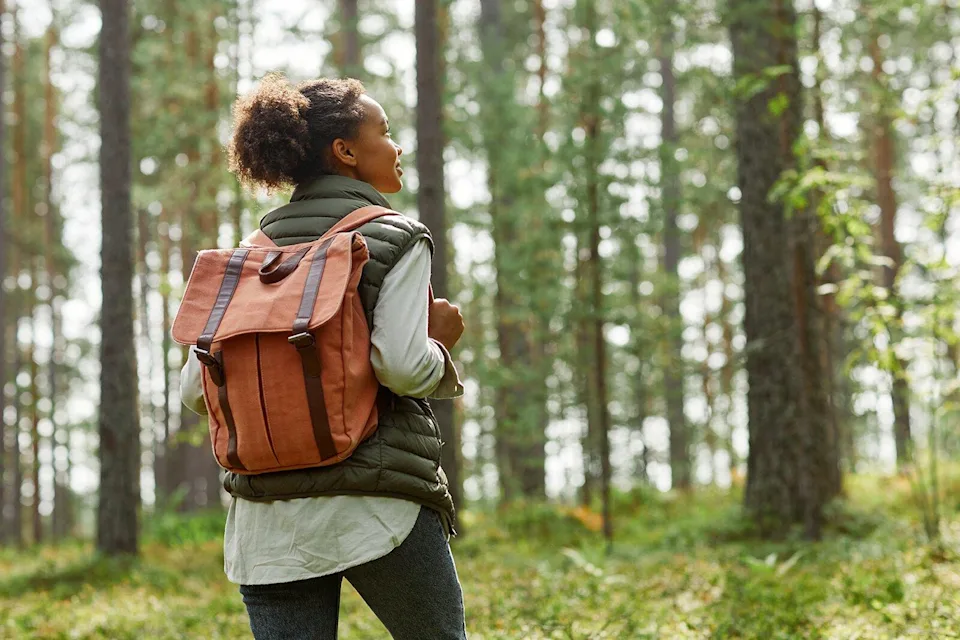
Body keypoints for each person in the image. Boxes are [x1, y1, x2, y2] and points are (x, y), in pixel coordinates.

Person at [179, 74, 468, 640]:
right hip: (376, 506)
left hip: (266, 523)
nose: (397, 145)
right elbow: (403, 368)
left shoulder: (247, 258)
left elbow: (195, 391)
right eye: (384, 131)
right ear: (346, 151)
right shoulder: (394, 236)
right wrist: (442, 344)